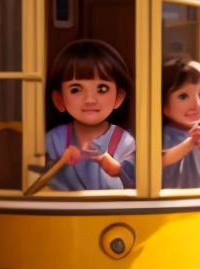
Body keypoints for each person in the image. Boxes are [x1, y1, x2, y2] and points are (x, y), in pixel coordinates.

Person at [43, 39, 135, 191]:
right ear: (59, 99)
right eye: (76, 89)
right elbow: (38, 181)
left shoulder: (125, 142)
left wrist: (117, 170)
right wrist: (59, 162)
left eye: (102, 89)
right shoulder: (53, 139)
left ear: (118, 97)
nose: (90, 100)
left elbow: (136, 187)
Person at [161, 57, 200, 188]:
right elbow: (161, 160)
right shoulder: (165, 137)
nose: (196, 104)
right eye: (183, 96)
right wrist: (190, 143)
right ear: (163, 104)